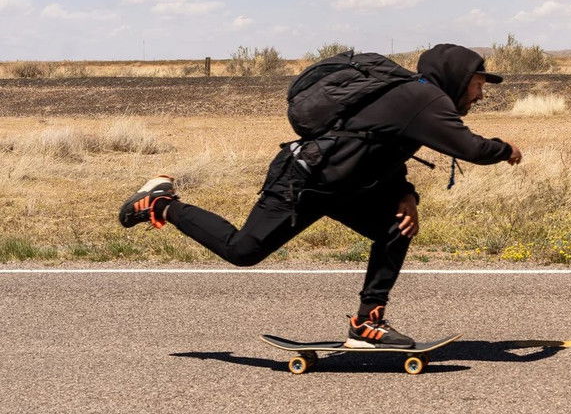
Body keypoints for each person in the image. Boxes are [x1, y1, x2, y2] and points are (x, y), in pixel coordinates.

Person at [117, 44, 522, 347]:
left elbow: (383, 149)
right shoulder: (425, 98)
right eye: (478, 84)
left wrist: (406, 194)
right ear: (457, 76)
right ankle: (161, 203)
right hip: (304, 182)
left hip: (341, 188)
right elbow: (471, 149)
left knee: (396, 227)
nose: (480, 95)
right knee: (243, 251)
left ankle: (367, 323)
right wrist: (505, 149)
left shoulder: (415, 99)